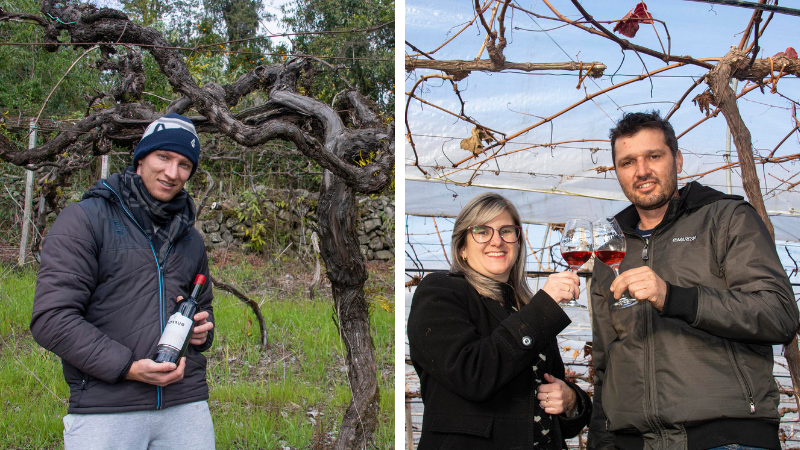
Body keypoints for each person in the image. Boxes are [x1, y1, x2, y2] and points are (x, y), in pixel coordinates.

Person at [588, 111, 798, 449]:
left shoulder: (725, 218)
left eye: (653, 156)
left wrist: (674, 297)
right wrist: (601, 442)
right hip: (633, 443)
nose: (641, 171)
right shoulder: (611, 246)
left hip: (725, 439)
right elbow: (605, 361)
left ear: (678, 160)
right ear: (617, 172)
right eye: (628, 162)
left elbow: (779, 313)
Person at [31, 113, 216, 450]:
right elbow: (51, 319)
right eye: (163, 157)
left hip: (185, 406)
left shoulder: (191, 239)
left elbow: (203, 311)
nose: (172, 173)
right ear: (141, 157)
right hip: (106, 409)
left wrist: (203, 332)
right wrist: (128, 368)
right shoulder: (85, 220)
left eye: (184, 164)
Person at [407, 192, 592, 449]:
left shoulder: (522, 309)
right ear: (462, 248)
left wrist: (571, 401)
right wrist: (542, 307)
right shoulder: (440, 291)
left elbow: (551, 394)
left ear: (518, 243)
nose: (497, 241)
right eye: (482, 232)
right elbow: (472, 375)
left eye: (507, 231)